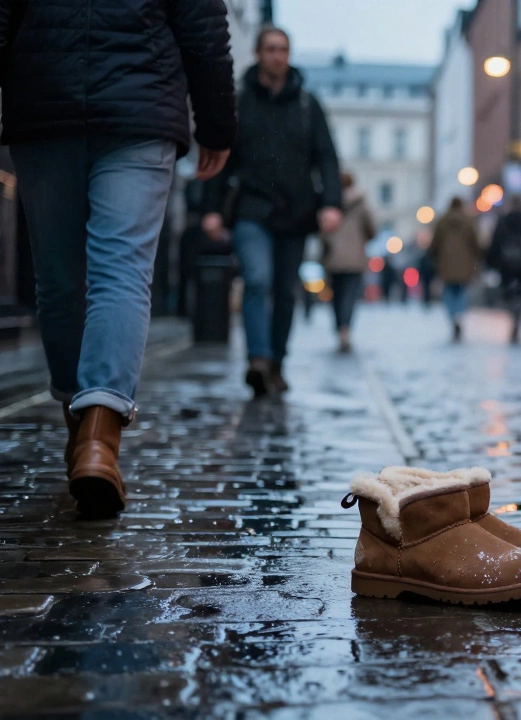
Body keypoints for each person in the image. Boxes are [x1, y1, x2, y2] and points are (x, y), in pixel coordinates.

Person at [1, 0, 236, 518]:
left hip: (45, 98)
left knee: (59, 280)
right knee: (122, 272)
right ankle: (98, 439)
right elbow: (202, 24)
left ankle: (81, 426)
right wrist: (217, 123)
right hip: (140, 104)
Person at [203, 26, 343, 398]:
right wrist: (212, 209)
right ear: (258, 53)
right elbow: (221, 159)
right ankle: (258, 359)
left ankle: (277, 361)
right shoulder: (240, 101)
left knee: (284, 291)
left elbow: (327, 159)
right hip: (251, 208)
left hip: (296, 212)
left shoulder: (307, 105)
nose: (277, 56)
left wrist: (331, 203)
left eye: (283, 49)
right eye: (270, 49)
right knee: (258, 279)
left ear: (289, 54)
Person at [324, 172, 377, 353]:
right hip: (355, 257)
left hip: (333, 256)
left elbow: (322, 228)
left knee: (337, 296)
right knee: (349, 295)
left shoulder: (330, 202)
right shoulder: (361, 202)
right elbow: (372, 229)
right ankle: (346, 329)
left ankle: (340, 327)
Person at [487, 196, 521, 344]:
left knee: (508, 292)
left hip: (506, 264)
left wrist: (490, 262)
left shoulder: (503, 220)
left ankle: (513, 314)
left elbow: (496, 242)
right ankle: (517, 317)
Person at [429, 197, 483, 342]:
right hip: (464, 264)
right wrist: (478, 256)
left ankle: (452, 316)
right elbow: (475, 243)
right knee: (461, 291)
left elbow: (434, 244)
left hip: (445, 263)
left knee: (449, 291)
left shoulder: (441, 221)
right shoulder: (468, 221)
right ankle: (459, 316)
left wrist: (435, 257)